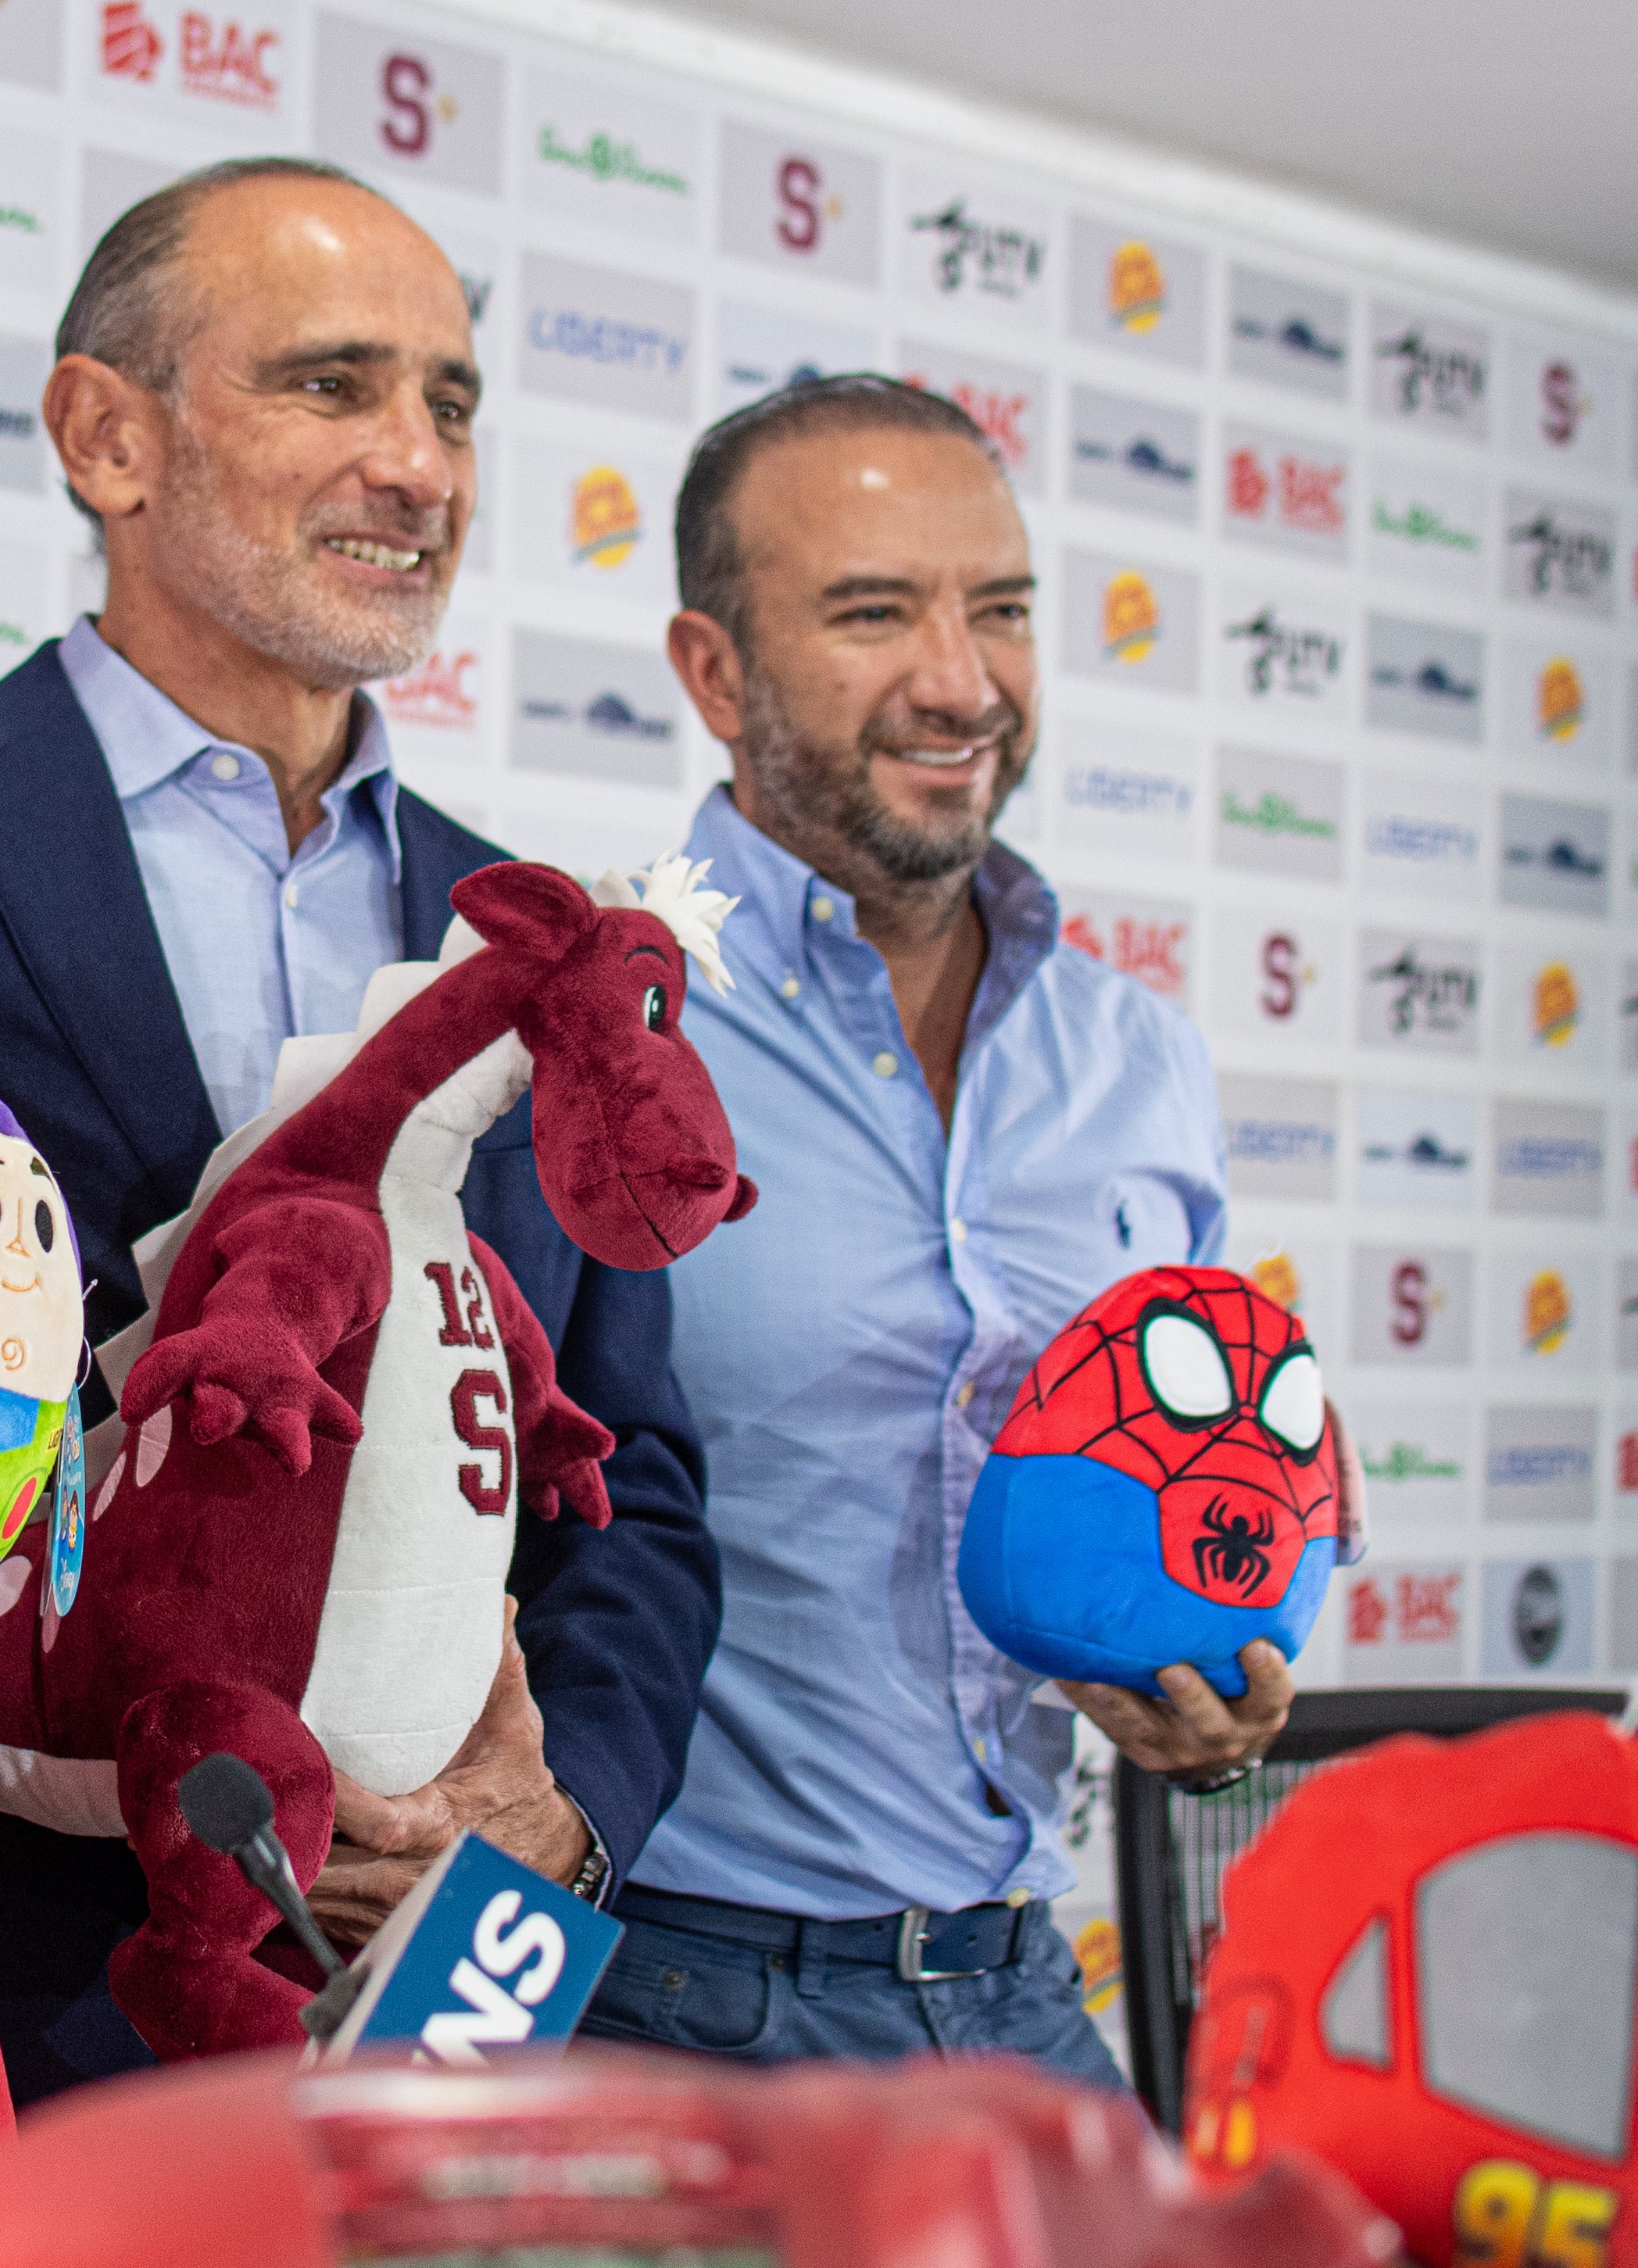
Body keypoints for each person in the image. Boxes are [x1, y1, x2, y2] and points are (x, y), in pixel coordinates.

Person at [0, 158, 721, 2101]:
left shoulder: (538, 939)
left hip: (427, 2004)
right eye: (331, 384)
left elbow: (631, 1471)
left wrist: (553, 1817)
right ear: (106, 435)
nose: (419, 463)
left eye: (452, 402)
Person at [574, 374, 1286, 2084]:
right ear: (713, 672)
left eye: (1003, 611)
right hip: (659, 1998)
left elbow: (1204, 1472)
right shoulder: (590, 1021)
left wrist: (1215, 1679)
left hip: (1018, 1988)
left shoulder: (1140, 1057)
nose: (962, 681)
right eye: (875, 612)